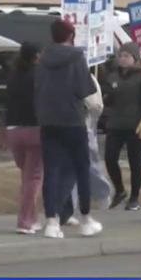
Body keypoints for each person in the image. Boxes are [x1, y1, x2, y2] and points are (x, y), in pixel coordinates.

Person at [33, 19, 103, 238]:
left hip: (48, 120)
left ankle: (51, 221)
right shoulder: (76, 57)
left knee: (51, 171)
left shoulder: (43, 59)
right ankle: (86, 218)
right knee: (81, 169)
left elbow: (37, 87)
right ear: (71, 36)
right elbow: (84, 88)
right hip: (73, 119)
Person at [100, 42, 141, 211]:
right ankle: (120, 189)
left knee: (134, 161)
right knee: (110, 158)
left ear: (135, 58)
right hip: (115, 123)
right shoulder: (113, 75)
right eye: (121, 55)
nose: (122, 59)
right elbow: (108, 98)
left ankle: (134, 197)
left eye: (126, 56)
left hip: (134, 125)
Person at [3, 42, 44, 235]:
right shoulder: (39, 75)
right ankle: (25, 220)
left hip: (13, 128)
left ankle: (33, 218)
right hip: (35, 128)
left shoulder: (13, 75)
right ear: (37, 56)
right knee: (33, 177)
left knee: (25, 175)